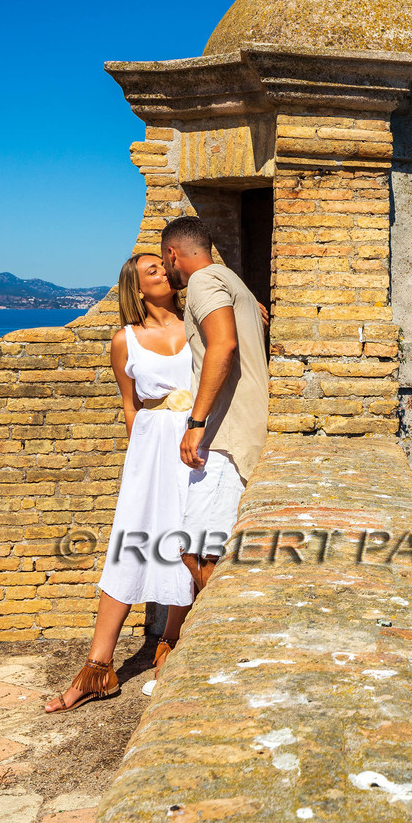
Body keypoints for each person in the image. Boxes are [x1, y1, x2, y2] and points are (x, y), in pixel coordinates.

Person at [45, 253, 196, 713]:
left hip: (198, 440)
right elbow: (131, 409)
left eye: (164, 266)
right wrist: (139, 462)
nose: (164, 272)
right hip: (151, 448)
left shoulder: (199, 323)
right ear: (137, 287)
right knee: (132, 544)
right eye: (153, 270)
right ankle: (97, 668)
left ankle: (169, 646)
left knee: (188, 540)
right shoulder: (124, 340)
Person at [158, 215, 268, 597]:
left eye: (163, 259)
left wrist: (196, 422)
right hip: (236, 430)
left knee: (201, 553)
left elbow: (223, 345)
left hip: (226, 435)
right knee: (203, 548)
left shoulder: (203, 282)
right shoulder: (229, 280)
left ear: (173, 254)